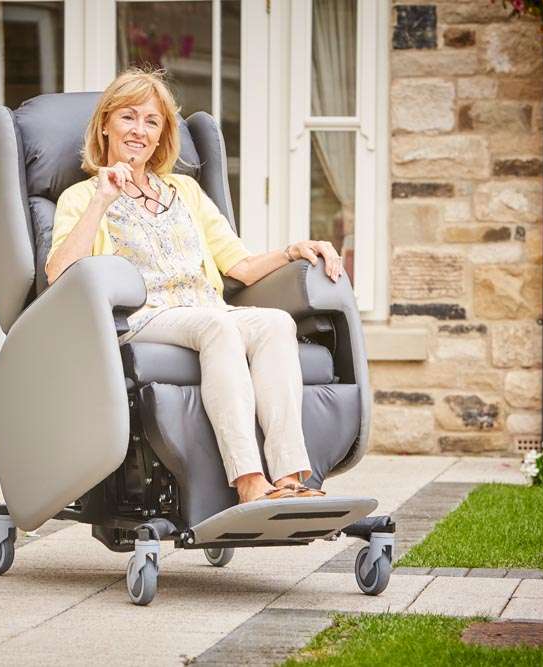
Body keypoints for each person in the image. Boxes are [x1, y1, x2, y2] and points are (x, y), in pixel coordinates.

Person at [45, 68, 343, 504]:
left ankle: (291, 478)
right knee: (218, 327)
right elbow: (58, 272)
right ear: (105, 123)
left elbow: (238, 265)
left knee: (275, 322)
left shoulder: (184, 190)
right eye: (129, 117)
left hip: (205, 309)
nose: (139, 131)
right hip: (142, 318)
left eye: (152, 122)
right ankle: (248, 482)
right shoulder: (82, 196)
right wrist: (103, 198)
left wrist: (293, 250)